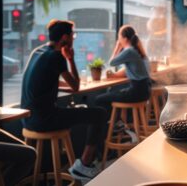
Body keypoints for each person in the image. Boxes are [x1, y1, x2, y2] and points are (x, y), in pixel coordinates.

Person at [20, 20, 107, 182]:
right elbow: (75, 86)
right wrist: (71, 58)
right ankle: (83, 165)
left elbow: (47, 82)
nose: (74, 38)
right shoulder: (56, 56)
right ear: (65, 38)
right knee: (99, 114)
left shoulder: (38, 51)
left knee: (83, 111)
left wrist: (64, 86)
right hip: (44, 120)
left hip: (26, 119)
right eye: (73, 35)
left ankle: (83, 164)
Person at [95, 25, 151, 137]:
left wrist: (117, 47)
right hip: (144, 90)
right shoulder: (135, 50)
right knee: (113, 93)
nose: (118, 40)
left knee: (99, 99)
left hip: (137, 91)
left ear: (125, 39)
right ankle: (119, 123)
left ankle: (116, 124)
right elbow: (128, 70)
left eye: (119, 37)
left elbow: (112, 63)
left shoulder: (129, 51)